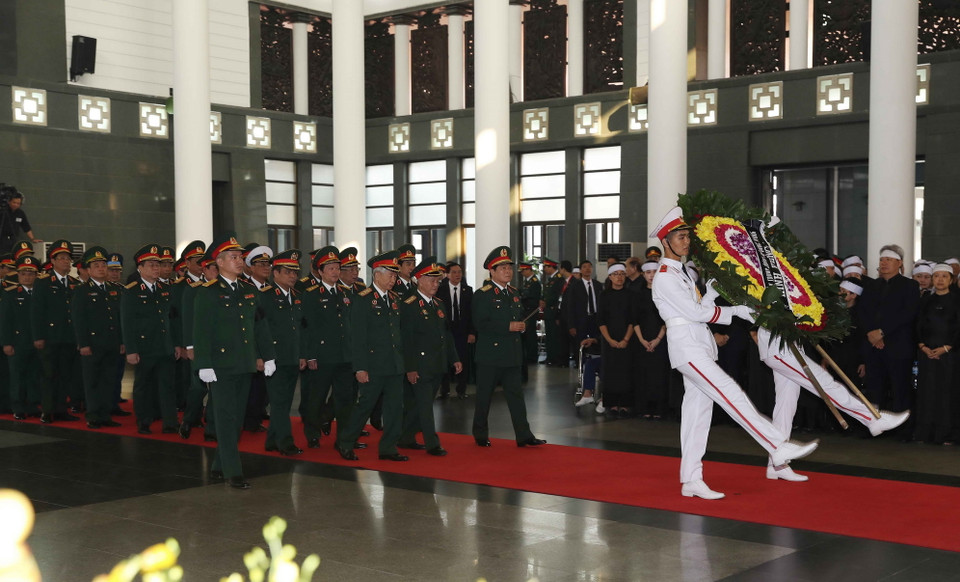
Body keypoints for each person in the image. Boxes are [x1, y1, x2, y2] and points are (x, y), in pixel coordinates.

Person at [649, 206, 818, 500]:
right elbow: (692, 312)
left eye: (687, 236)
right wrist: (736, 310)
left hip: (698, 345)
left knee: (697, 416)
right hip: (688, 349)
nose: (686, 242)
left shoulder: (682, 272)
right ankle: (777, 443)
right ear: (665, 242)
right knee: (730, 392)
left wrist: (713, 291)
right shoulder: (665, 275)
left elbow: (697, 305)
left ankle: (691, 479)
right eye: (679, 237)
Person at [756, 325, 909, 480]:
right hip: (779, 349)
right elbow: (755, 311)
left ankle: (776, 464)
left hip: (786, 346)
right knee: (824, 383)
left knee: (786, 404)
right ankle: (872, 418)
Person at [193, 233, 276, 489]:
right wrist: (203, 364)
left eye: (240, 257)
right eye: (233, 257)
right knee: (226, 417)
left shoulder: (249, 291)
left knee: (236, 418)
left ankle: (219, 465)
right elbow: (202, 331)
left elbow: (260, 327)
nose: (239, 261)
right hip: (220, 366)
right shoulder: (208, 293)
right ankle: (233, 471)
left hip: (245, 363)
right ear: (218, 262)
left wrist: (269, 356)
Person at [472, 246, 546, 448]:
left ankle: (524, 435)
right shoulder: (483, 294)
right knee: (484, 397)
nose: (507, 271)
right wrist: (507, 326)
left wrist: (522, 326)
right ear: (492, 271)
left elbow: (519, 317)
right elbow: (480, 323)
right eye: (502, 267)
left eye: (509, 267)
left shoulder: (513, 293)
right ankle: (480, 433)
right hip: (490, 355)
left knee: (516, 397)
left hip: (512, 354)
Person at [336, 251, 406, 462]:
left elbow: (397, 333)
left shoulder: (394, 299)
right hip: (373, 365)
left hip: (394, 364)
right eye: (390, 275)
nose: (394, 280)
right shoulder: (363, 300)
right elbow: (357, 338)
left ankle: (388, 447)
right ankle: (346, 442)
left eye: (395, 276)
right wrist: (360, 367)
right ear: (377, 275)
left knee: (394, 409)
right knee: (364, 406)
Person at [398, 257, 461, 456]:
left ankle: (406, 437)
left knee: (419, 405)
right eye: (432, 280)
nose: (436, 284)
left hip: (437, 363)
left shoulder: (439, 304)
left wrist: (455, 358)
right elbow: (406, 340)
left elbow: (446, 335)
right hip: (420, 364)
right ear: (418, 280)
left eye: (438, 281)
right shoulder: (409, 304)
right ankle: (433, 443)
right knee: (425, 406)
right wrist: (410, 367)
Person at [300, 246, 356, 449]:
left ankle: (343, 439)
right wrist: (310, 355)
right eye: (330, 268)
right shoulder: (312, 293)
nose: (335, 271)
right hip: (322, 356)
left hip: (344, 355)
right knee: (316, 398)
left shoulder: (345, 293)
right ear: (321, 271)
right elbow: (307, 327)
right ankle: (312, 432)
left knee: (344, 401)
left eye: (337, 268)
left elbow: (350, 325)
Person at [121, 244, 179, 435]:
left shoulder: (165, 288)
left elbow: (173, 319)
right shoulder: (131, 290)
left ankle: (170, 422)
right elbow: (127, 323)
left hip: (165, 345)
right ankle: (143, 421)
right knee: (143, 386)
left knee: (167, 386)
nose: (156, 268)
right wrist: (131, 349)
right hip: (145, 347)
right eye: (151, 265)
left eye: (157, 264)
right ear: (140, 268)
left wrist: (177, 343)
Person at [857, 245, 920, 414]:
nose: (884, 263)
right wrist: (872, 333)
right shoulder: (871, 285)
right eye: (882, 260)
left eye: (889, 260)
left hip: (898, 345)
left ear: (899, 263)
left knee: (900, 387)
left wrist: (882, 332)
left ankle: (903, 429)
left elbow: (908, 313)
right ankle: (876, 425)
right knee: (875, 387)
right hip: (873, 344)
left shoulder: (910, 285)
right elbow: (862, 311)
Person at [71, 247, 124, 429]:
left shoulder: (113, 289)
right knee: (92, 381)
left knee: (108, 380)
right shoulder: (82, 291)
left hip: (111, 343)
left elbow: (118, 318)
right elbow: (79, 319)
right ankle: (93, 415)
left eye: (103, 265)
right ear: (88, 270)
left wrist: (122, 341)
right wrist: (83, 343)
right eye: (96, 265)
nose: (101, 268)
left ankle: (105, 414)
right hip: (92, 344)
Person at [260, 249, 306, 456]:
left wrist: (303, 354)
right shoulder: (265, 297)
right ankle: (285, 442)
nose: (293, 276)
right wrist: (262, 356)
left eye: (295, 273)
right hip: (274, 357)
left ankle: (271, 440)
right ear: (275, 273)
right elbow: (260, 330)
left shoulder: (297, 296)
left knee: (285, 401)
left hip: (293, 357)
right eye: (288, 272)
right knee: (279, 402)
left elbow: (302, 329)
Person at [30, 239, 81, 423]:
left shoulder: (74, 283)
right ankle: (47, 410)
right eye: (62, 258)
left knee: (65, 376)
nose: (66, 261)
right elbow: (36, 312)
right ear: (53, 261)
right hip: (50, 338)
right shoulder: (43, 282)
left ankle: (61, 409)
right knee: (49, 375)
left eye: (68, 258)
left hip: (68, 337)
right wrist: (38, 336)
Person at [914, 264, 960, 444]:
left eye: (944, 276)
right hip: (927, 354)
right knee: (927, 392)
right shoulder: (925, 300)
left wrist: (947, 347)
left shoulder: (957, 300)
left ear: (951, 280)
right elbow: (917, 324)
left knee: (947, 393)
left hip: (950, 354)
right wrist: (923, 346)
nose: (940, 280)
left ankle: (947, 434)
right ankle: (925, 433)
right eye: (937, 276)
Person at [178, 249, 218, 441]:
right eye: (213, 269)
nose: (217, 272)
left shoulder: (224, 289)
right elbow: (187, 320)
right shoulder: (193, 290)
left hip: (219, 346)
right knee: (199, 386)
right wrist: (189, 346)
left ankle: (211, 425)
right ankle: (188, 419)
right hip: (199, 346)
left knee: (217, 387)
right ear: (205, 269)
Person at [1, 255, 43, 419]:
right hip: (18, 343)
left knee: (34, 376)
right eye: (24, 273)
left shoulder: (40, 293)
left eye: (31, 274)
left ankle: (32, 405)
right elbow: (5, 321)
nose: (27, 277)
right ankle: (17, 407)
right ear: (18, 275)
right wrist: (6, 343)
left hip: (37, 342)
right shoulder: (10, 294)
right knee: (17, 376)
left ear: (36, 275)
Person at [633, 260, 669, 418]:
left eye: (655, 272)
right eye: (648, 272)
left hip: (660, 339)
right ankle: (645, 408)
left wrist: (657, 339)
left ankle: (659, 409)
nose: (651, 275)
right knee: (644, 375)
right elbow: (634, 320)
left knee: (659, 375)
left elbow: (667, 320)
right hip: (642, 340)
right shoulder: (638, 294)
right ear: (643, 274)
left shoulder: (665, 294)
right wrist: (642, 340)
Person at [565, 260, 603, 407]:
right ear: (580, 270)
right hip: (581, 322)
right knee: (581, 351)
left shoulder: (598, 285)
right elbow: (570, 306)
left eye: (589, 267)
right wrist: (571, 325)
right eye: (584, 267)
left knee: (596, 349)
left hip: (595, 320)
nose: (587, 269)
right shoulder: (575, 286)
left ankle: (596, 377)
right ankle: (583, 380)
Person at [597, 264, 634, 414]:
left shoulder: (631, 295)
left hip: (627, 339)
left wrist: (625, 339)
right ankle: (611, 404)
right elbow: (601, 321)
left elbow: (633, 320)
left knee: (625, 372)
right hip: (609, 340)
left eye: (622, 274)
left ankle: (625, 404)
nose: (619, 277)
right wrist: (609, 340)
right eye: (616, 274)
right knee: (610, 372)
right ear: (610, 277)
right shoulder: (604, 295)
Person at [437, 261, 474, 399]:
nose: (457, 274)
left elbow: (472, 314)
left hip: (462, 330)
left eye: (459, 272)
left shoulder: (468, 290)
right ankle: (444, 390)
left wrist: (471, 332)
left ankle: (461, 389)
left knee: (463, 359)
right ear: (447, 274)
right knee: (446, 359)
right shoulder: (440, 290)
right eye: (454, 272)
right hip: (446, 329)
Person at [0, 186, 41, 255]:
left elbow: (26, 227)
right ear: (9, 202)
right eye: (14, 202)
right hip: (2, 239)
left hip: (13, 239)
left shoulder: (20, 213)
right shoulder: (2, 211)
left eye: (18, 203)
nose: (16, 205)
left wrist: (33, 239)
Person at [539, 258, 565, 367]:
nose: (544, 269)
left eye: (546, 267)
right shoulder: (551, 279)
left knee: (555, 337)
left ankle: (555, 358)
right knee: (549, 336)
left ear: (551, 267)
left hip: (554, 312)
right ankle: (550, 357)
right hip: (548, 312)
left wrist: (546, 302)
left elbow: (558, 296)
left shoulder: (559, 279)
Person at [518, 261, 541, 366]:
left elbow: (532, 298)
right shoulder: (527, 282)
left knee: (531, 335)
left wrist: (523, 298)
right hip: (525, 311)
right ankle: (527, 355)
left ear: (528, 270)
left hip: (531, 311)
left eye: (523, 270)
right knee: (527, 335)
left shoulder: (534, 282)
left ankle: (532, 357)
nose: (522, 273)